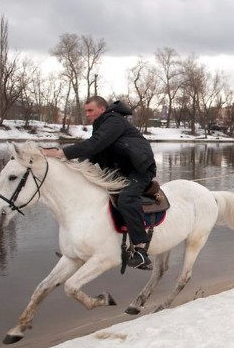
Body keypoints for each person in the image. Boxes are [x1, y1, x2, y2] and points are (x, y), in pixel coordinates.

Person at [41, 96, 157, 269]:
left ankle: (140, 250)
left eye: (90, 110)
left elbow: (94, 145)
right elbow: (94, 153)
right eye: (85, 111)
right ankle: (87, 246)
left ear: (102, 109)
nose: (87, 114)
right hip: (122, 170)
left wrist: (61, 153)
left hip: (139, 169)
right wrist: (70, 166)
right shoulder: (102, 125)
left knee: (126, 199)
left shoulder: (114, 121)